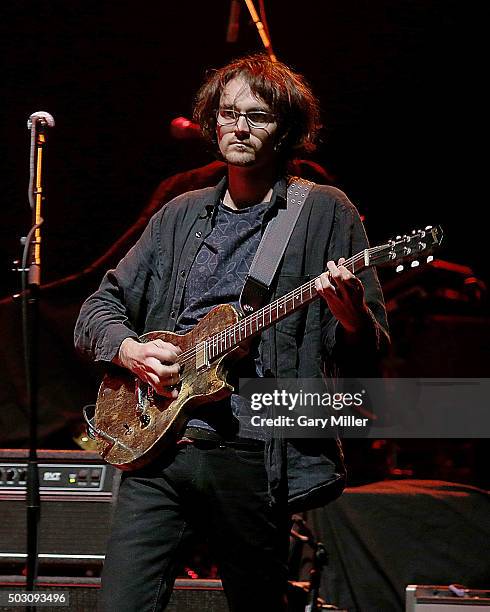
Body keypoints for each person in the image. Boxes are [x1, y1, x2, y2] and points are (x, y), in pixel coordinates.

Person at [74, 54, 388, 612]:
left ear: (285, 130)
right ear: (213, 122)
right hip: (158, 449)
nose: (239, 127)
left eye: (258, 116)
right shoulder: (180, 212)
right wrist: (130, 349)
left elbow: (371, 352)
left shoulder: (323, 212)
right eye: (228, 113)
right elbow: (99, 305)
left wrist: (350, 315)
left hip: (252, 452)